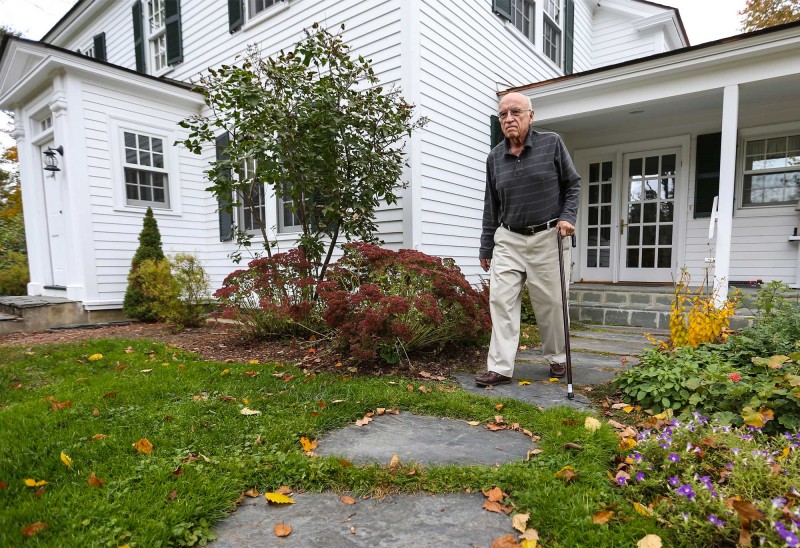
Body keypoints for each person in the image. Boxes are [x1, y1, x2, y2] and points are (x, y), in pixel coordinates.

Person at [475, 92, 581, 387]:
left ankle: (558, 357)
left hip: (549, 235)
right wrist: (486, 245)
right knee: (501, 300)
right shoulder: (495, 156)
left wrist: (568, 217)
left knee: (552, 303)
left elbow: (572, 185)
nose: (509, 118)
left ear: (530, 116)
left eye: (516, 112)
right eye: (503, 114)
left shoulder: (552, 143)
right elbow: (491, 205)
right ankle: (500, 367)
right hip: (508, 237)